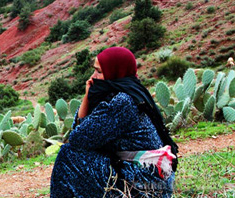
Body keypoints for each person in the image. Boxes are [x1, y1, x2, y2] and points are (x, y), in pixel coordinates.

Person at [50, 47, 178, 197]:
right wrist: (87, 95)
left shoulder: (122, 102)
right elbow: (80, 129)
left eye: (99, 71)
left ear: (114, 72)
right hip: (146, 175)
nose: (93, 77)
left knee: (68, 156)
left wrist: (89, 97)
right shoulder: (127, 93)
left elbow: (78, 138)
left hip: (145, 183)